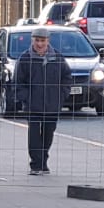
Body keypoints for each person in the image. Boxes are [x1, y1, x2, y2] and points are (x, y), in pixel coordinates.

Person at [13, 29, 69, 175]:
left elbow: (67, 77)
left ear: (48, 41)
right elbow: (18, 81)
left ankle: (43, 161)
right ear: (32, 40)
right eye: (37, 40)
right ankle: (36, 165)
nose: (39, 44)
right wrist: (25, 98)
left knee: (48, 134)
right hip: (33, 105)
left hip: (52, 105)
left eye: (42, 41)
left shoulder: (58, 58)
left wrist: (62, 95)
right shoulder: (25, 58)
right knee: (34, 136)